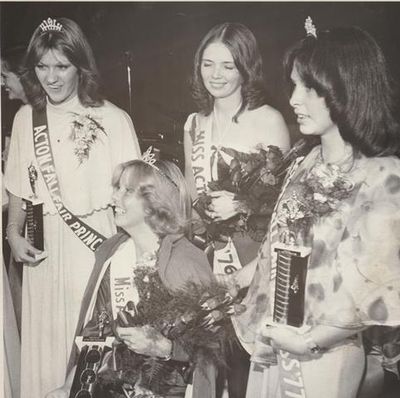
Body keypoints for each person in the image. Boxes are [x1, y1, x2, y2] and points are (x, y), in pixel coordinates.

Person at [233, 18, 400, 398]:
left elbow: (380, 286)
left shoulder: (384, 177)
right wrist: (234, 281)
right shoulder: (306, 161)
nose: (294, 99)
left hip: (325, 354)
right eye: (294, 85)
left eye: (308, 88)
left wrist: (310, 342)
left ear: (346, 89)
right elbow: (282, 247)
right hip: (277, 339)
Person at [4, 17, 141, 397]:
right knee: (46, 360)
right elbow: (17, 188)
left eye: (61, 66)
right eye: (42, 67)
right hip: (44, 260)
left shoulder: (113, 120)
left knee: (88, 360)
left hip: (95, 255)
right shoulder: (25, 118)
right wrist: (13, 234)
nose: (51, 78)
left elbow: (135, 203)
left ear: (80, 66)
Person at [46, 158, 217, 398]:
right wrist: (67, 388)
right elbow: (96, 335)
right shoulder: (113, 254)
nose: (113, 198)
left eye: (126, 191)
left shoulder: (186, 261)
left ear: (154, 202)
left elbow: (212, 350)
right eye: (117, 189)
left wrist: (166, 348)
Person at [183, 22, 290, 398]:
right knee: (210, 369)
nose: (216, 75)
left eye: (228, 66)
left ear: (247, 68)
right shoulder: (195, 124)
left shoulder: (269, 120)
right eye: (208, 64)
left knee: (244, 371)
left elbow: (285, 212)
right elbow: (193, 202)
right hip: (209, 262)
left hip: (251, 265)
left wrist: (242, 204)